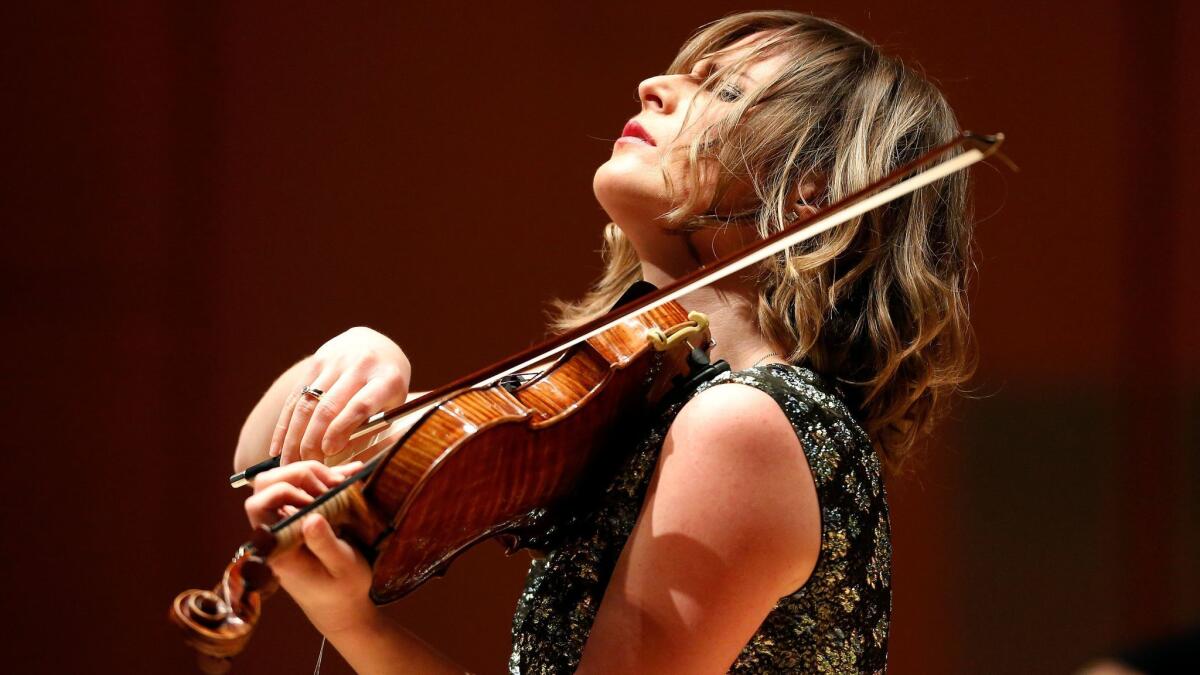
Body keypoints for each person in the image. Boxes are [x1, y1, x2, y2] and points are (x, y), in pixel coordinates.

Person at [232, 10, 974, 674]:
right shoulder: (644, 398)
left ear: (812, 188)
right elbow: (268, 459)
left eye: (723, 91)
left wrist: (354, 625)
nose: (653, 86)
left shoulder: (745, 424)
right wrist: (353, 358)